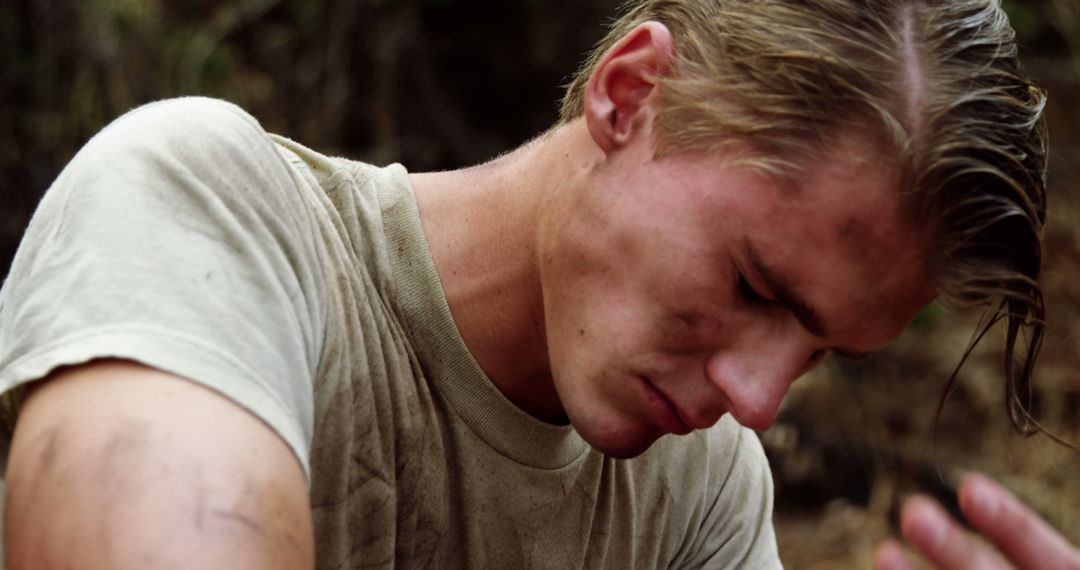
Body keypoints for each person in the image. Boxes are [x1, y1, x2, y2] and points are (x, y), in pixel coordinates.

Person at [0, 0, 1075, 568]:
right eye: (756, 285)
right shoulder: (212, 217)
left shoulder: (699, 492)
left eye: (823, 349)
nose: (758, 401)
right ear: (630, 90)